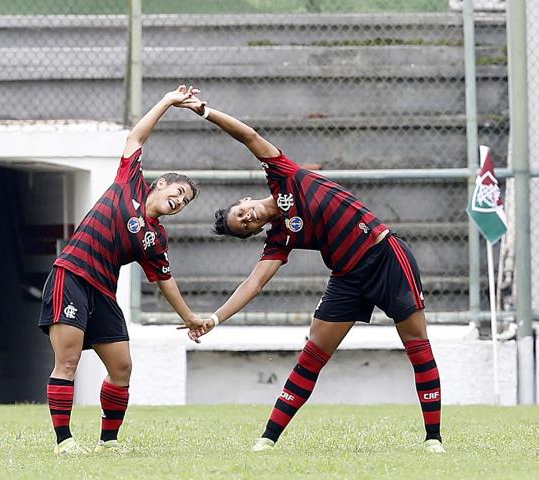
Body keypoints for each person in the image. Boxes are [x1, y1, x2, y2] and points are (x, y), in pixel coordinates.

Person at [180, 95, 445, 454]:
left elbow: (249, 136)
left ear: (244, 200)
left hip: (385, 256)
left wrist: (205, 111)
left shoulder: (284, 175)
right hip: (348, 277)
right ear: (252, 233)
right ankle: (267, 440)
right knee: (313, 352)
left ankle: (433, 439)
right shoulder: (280, 237)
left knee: (416, 345)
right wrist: (214, 318)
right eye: (243, 227)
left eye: (240, 214)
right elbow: (254, 283)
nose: (245, 219)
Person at [38, 85, 205, 455]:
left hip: (102, 293)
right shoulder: (129, 183)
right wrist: (166, 101)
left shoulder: (155, 239)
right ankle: (64, 442)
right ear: (160, 184)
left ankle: (108, 443)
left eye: (185, 201)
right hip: (72, 276)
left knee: (122, 368)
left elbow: (165, 281)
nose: (178, 201)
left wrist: (191, 317)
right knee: (68, 360)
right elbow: (136, 135)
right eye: (177, 192)